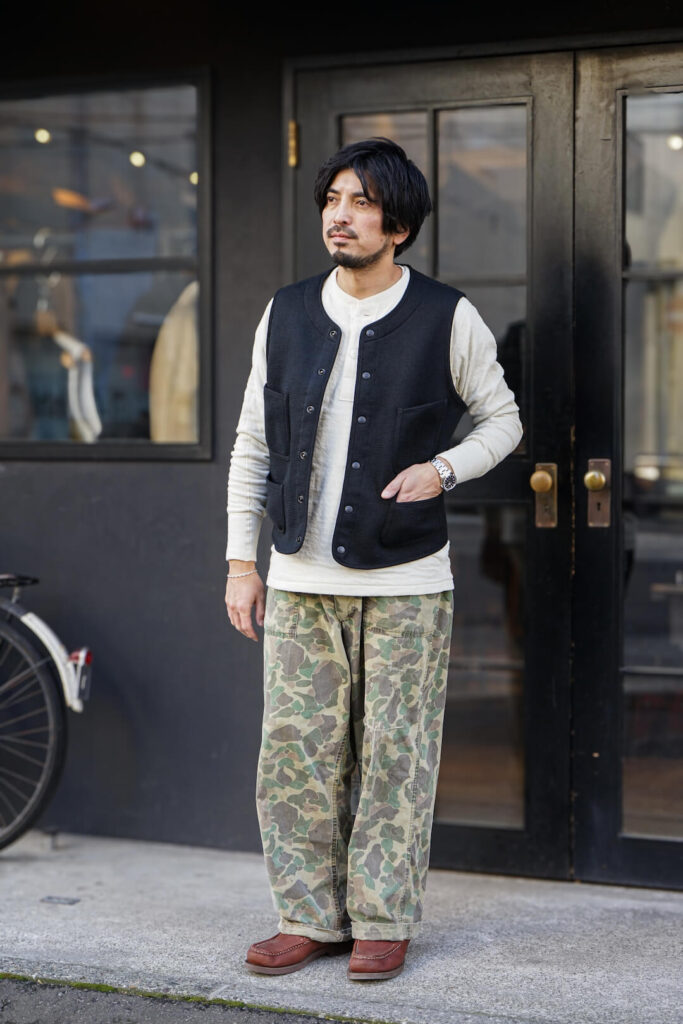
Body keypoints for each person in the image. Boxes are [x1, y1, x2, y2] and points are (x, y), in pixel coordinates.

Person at [225, 138, 523, 981]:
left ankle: (383, 920)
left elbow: (503, 419)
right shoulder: (285, 312)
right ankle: (306, 918)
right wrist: (240, 563)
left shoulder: (445, 315)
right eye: (332, 199)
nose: (339, 216)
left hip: (406, 584)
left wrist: (443, 469)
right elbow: (252, 442)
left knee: (396, 754)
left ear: (398, 225)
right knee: (295, 754)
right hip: (298, 579)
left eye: (360, 202)